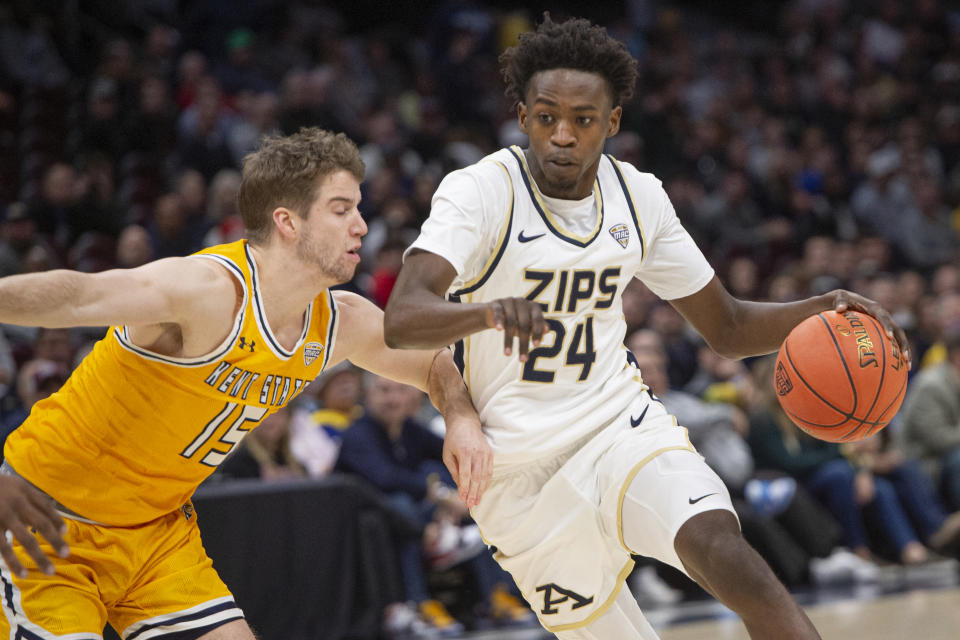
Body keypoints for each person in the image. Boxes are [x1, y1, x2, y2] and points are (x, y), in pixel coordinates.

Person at [383, 15, 910, 640]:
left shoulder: (638, 198)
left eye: (583, 120)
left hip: (619, 426)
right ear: (522, 118)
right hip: (516, 475)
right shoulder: (479, 192)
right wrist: (487, 312)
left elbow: (730, 327)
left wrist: (822, 307)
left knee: (722, 546)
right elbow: (403, 319)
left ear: (611, 124)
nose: (562, 135)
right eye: (547, 117)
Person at [0, 127, 486, 640]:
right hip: (45, 519)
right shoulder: (208, 291)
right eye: (342, 210)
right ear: (288, 222)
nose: (362, 226)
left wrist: (459, 416)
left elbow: (432, 365)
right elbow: (77, 295)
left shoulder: (338, 321)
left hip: (157, 534)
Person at [337, 373, 534, 635]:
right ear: (368, 395)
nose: (393, 398)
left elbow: (447, 453)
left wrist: (459, 494)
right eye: (384, 390)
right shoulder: (356, 434)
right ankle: (418, 605)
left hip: (415, 515)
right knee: (404, 507)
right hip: (369, 524)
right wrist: (440, 496)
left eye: (399, 390)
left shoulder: (409, 428)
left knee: (474, 503)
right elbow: (384, 478)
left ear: (410, 396)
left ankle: (495, 597)